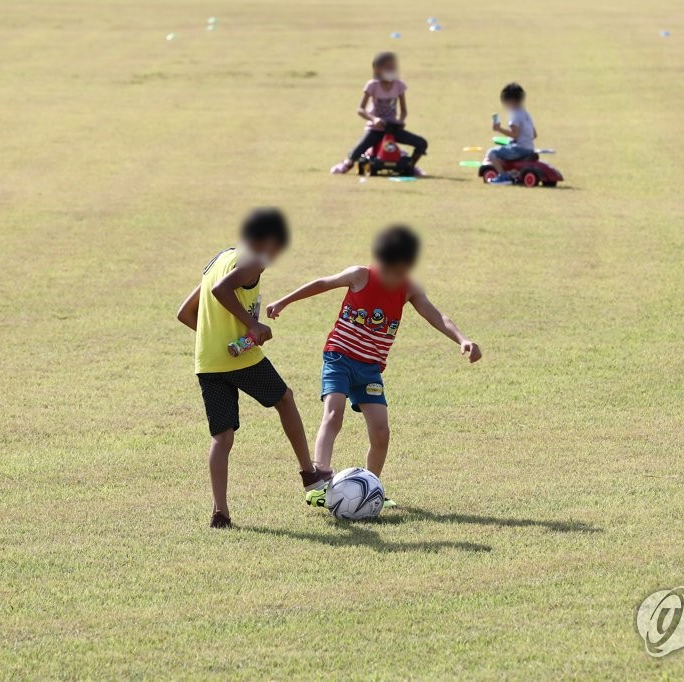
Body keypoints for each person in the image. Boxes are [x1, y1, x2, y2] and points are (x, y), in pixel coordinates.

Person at [266, 226, 482, 507]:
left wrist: (462, 339)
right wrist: (285, 301)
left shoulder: (409, 288)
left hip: (370, 369)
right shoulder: (360, 275)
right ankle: (319, 482)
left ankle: (371, 487)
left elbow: (437, 315)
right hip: (339, 357)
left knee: (381, 432)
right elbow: (322, 283)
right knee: (333, 414)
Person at [176, 209, 330, 528]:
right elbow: (221, 291)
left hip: (208, 361)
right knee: (285, 399)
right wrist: (253, 325)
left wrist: (217, 339)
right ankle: (309, 473)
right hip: (240, 360)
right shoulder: (253, 261)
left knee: (222, 437)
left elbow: (185, 313)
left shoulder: (219, 259)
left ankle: (220, 513)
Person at [331, 52, 428, 176]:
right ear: (377, 69)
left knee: (421, 143)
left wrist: (401, 121)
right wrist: (374, 119)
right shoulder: (372, 85)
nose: (391, 70)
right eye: (388, 67)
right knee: (358, 150)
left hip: (392, 128)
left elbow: (403, 110)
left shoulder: (399, 85)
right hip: (375, 128)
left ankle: (411, 166)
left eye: (393, 67)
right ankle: (347, 164)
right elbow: (360, 110)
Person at [487, 82, 538, 184]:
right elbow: (534, 134)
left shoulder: (514, 114)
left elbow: (515, 134)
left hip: (520, 149)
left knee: (491, 153)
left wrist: (499, 129)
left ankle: (503, 176)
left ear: (510, 101)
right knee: (507, 146)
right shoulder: (525, 113)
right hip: (530, 148)